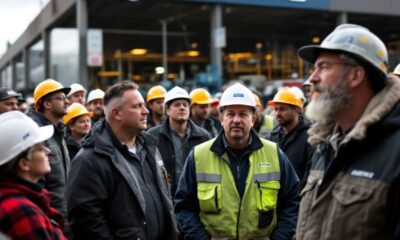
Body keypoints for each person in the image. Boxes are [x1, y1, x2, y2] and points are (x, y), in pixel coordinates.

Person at [296, 23, 400, 239]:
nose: (312, 78)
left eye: (323, 67)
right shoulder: (325, 143)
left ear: (355, 76)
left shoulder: (395, 150)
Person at [175, 83, 300, 239]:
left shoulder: (274, 154)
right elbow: (184, 207)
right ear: (221, 118)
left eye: (243, 114)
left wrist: (279, 237)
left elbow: (292, 202)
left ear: (253, 119)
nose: (236, 120)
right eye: (230, 114)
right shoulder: (199, 156)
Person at [67, 80, 179, 239]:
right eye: (137, 106)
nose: (145, 111)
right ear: (116, 113)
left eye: (143, 105)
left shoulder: (150, 147)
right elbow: (87, 221)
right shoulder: (89, 160)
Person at [0, 111, 66, 239]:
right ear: (24, 164)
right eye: (40, 148)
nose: (48, 151)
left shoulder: (23, 201)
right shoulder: (22, 211)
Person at [147, 86, 210, 197]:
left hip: (195, 198)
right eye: (177, 105)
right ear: (167, 110)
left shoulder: (203, 136)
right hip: (165, 198)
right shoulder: (152, 136)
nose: (182, 108)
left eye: (185, 105)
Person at [27, 79, 71, 217]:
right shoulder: (36, 133)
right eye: (61, 98)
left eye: (66, 98)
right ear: (47, 103)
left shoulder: (58, 130)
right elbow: (35, 184)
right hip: (49, 218)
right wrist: (50, 217)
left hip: (64, 217)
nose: (67, 102)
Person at [267, 87, 314, 188]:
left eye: (282, 109)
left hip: (298, 199)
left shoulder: (310, 136)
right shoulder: (272, 137)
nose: (278, 113)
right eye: (276, 109)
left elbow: (311, 173)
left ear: (297, 110)